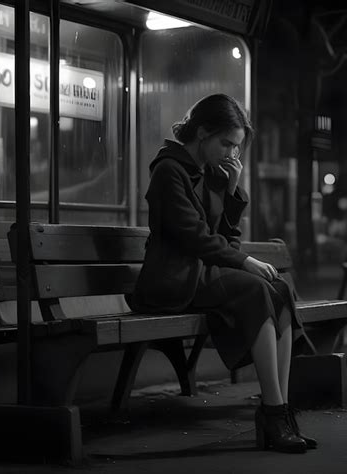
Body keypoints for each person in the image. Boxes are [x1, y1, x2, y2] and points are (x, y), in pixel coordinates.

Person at [130, 93, 316, 454]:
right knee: (255, 291)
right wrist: (245, 263)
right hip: (171, 281)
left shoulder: (210, 174)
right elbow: (195, 238)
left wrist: (230, 192)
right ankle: (273, 413)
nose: (232, 154)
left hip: (200, 275)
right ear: (202, 132)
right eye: (226, 143)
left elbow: (226, 240)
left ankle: (281, 411)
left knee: (278, 288)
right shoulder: (169, 170)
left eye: (237, 147)